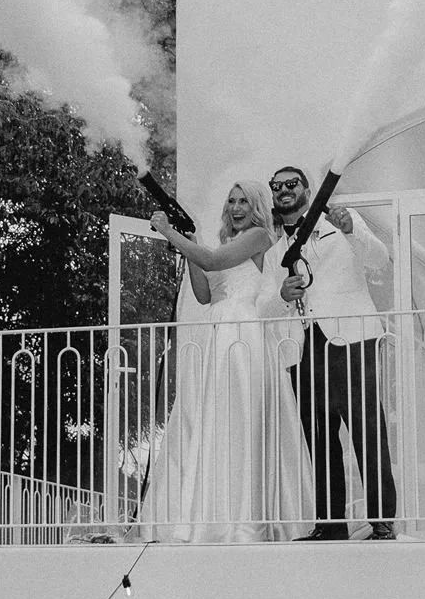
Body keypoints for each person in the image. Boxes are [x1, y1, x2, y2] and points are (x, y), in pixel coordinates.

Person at [144, 181, 311, 542]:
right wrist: (188, 246)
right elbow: (205, 294)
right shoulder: (223, 244)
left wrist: (172, 233)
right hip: (216, 330)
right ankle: (213, 514)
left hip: (242, 334)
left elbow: (213, 261)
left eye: (244, 202)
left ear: (256, 208)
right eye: (232, 201)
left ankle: (245, 521)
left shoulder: (258, 236)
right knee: (213, 420)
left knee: (240, 420)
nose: (236, 208)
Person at [267, 165, 398, 541]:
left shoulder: (341, 221)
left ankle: (382, 521)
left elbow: (378, 260)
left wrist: (351, 229)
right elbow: (264, 304)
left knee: (367, 431)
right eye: (277, 187)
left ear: (307, 188)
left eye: (291, 184)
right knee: (319, 437)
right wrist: (281, 296)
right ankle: (330, 523)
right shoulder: (277, 248)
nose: (284, 190)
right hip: (304, 347)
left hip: (352, 339)